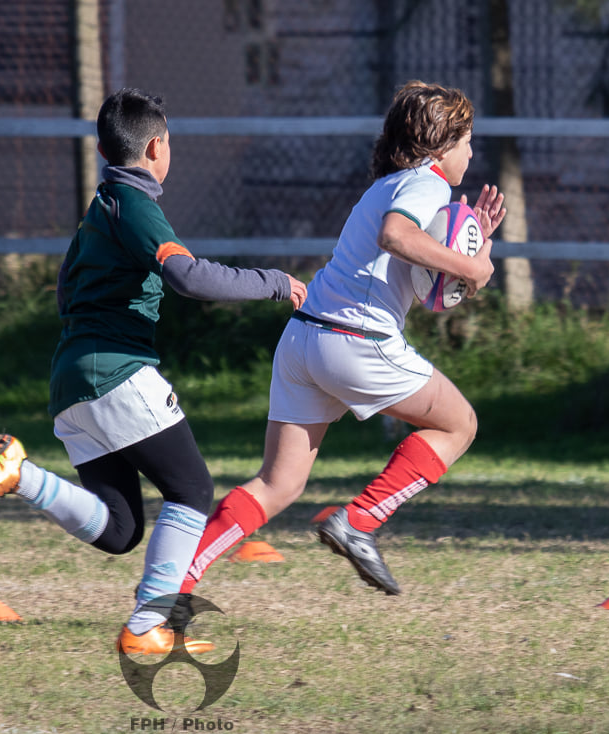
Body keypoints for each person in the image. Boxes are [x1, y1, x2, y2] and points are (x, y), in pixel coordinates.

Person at [0, 87, 307, 654]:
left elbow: (67, 289)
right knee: (191, 489)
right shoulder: (137, 205)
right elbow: (188, 277)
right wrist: (273, 281)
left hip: (70, 378)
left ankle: (19, 474)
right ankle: (147, 628)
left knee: (120, 530)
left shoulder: (99, 210)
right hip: (115, 371)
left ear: (101, 148)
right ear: (158, 147)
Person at [179, 81, 506, 598]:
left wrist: (470, 244)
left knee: (277, 484)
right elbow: (396, 238)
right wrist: (474, 267)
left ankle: (173, 581)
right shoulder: (429, 183)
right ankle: (358, 522)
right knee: (459, 424)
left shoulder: (390, 185)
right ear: (442, 145)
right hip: (355, 340)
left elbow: (423, 289)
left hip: (304, 338)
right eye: (467, 140)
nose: (471, 151)